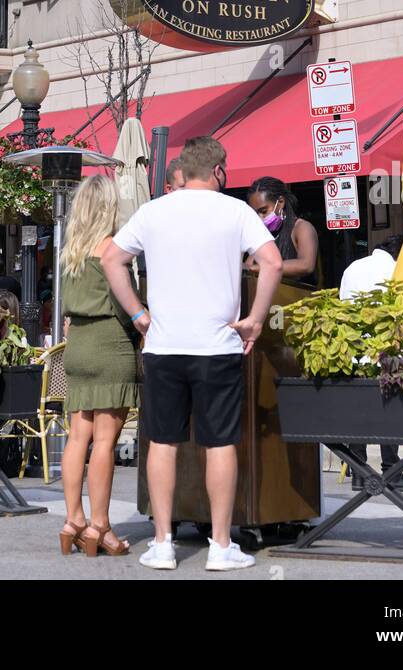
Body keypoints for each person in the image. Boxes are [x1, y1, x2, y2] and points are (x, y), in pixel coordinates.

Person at [102, 136, 282, 573]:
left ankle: (163, 544)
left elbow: (112, 258)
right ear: (219, 170)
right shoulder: (236, 211)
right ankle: (220, 546)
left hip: (164, 345)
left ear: (183, 170)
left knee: (162, 442)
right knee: (220, 443)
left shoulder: (154, 210)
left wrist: (139, 313)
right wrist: (255, 320)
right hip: (217, 346)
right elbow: (273, 262)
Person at [60, 175, 139, 559]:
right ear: (109, 208)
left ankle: (72, 520)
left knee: (78, 437)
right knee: (105, 441)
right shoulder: (113, 250)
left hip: (77, 347)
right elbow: (126, 306)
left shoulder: (71, 251)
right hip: (109, 344)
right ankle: (100, 525)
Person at [338, 235, 403, 491]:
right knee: (390, 408)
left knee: (358, 412)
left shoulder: (352, 267)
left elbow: (342, 306)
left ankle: (359, 470)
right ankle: (391, 469)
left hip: (353, 350)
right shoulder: (396, 270)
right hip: (386, 351)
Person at [247, 177, 318, 283]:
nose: (260, 218)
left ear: (280, 202)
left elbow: (306, 265)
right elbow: (249, 265)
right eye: (255, 213)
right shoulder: (262, 235)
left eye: (264, 211)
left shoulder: (302, 228)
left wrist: (261, 268)